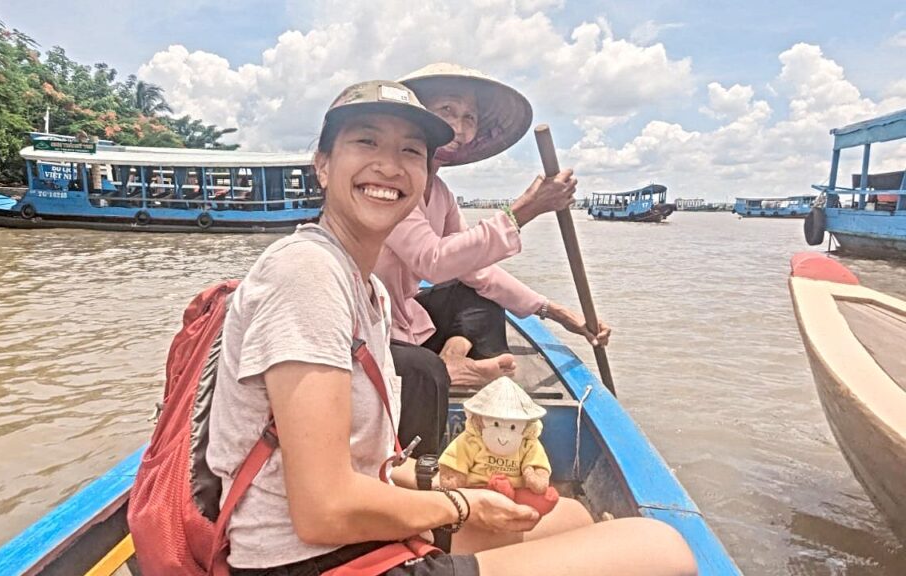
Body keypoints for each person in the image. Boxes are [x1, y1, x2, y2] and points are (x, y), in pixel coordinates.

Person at [205, 78, 696, 576]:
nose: (390, 165)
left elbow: (368, 464)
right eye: (366, 142)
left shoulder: (369, 289)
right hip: (306, 559)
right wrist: (461, 506)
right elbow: (324, 510)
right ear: (322, 165)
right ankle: (463, 370)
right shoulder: (307, 272)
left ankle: (468, 369)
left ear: (423, 171)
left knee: (569, 515)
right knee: (663, 549)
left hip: (354, 533)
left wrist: (446, 480)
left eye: (410, 151)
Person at [375, 63, 611, 455]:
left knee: (478, 297)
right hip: (377, 323)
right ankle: (447, 367)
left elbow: (474, 268)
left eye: (469, 117)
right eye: (447, 112)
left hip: (406, 314)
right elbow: (431, 261)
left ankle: (456, 355)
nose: (461, 127)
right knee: (423, 370)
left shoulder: (442, 193)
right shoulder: (394, 181)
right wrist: (525, 210)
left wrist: (556, 312)